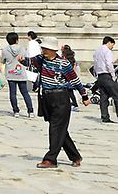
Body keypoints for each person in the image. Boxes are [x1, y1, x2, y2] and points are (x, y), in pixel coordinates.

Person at [30, 36, 90, 169]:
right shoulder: (41, 60)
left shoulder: (64, 63)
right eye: (43, 48)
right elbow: (29, 63)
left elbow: (75, 80)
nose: (43, 50)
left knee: (55, 129)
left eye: (45, 48)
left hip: (60, 98)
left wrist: (84, 96)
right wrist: (21, 59)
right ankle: (75, 156)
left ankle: (50, 159)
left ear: (52, 50)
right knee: (60, 130)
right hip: (46, 98)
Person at [1, 31, 34, 117]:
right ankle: (30, 111)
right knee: (25, 93)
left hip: (10, 74)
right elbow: (26, 59)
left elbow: (3, 61)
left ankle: (16, 111)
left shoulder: (5, 50)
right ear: (16, 40)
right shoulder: (22, 49)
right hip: (21, 74)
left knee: (13, 93)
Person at [93, 36, 118, 123]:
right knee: (116, 95)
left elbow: (95, 65)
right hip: (107, 76)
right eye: (112, 45)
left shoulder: (97, 51)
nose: (112, 47)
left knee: (103, 97)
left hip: (100, 76)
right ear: (109, 43)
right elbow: (109, 64)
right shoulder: (107, 51)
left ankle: (105, 116)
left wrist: (96, 75)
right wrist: (113, 75)